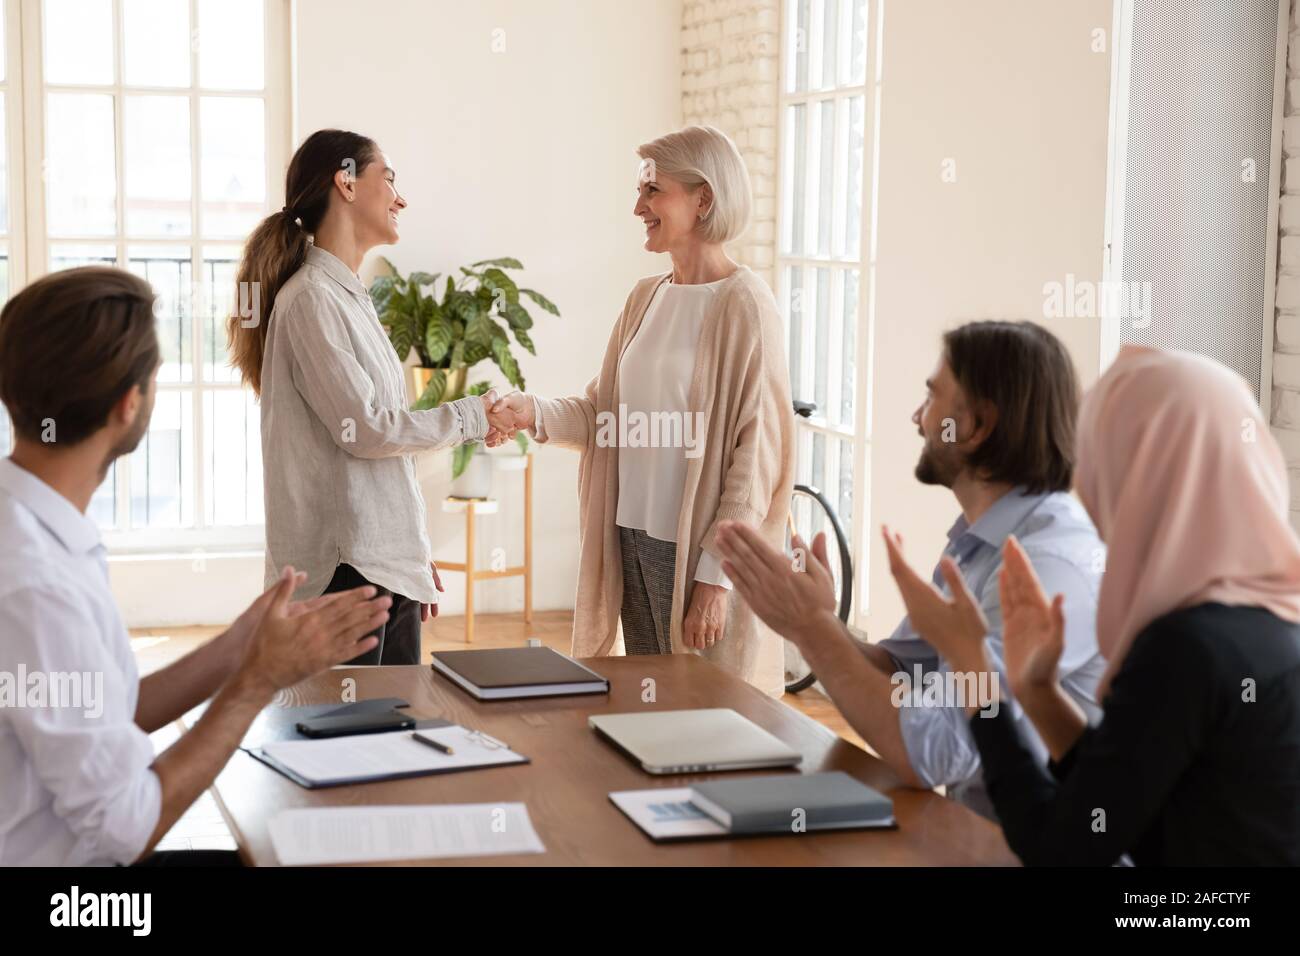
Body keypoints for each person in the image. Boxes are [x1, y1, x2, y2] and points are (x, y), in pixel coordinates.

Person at [0, 267, 391, 865]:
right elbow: (125, 828)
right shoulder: (37, 582)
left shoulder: (31, 523)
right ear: (129, 404)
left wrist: (237, 646)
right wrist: (257, 680)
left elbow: (107, 709)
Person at [882, 346, 1300, 865]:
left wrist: (975, 672)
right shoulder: (1269, 620)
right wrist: (1037, 691)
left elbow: (1063, 848)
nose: (1085, 484)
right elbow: (1121, 812)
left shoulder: (1185, 646)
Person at [714, 321, 1106, 816]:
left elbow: (933, 753)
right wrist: (819, 620)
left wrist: (812, 629)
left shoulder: (1045, 564)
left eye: (932, 397)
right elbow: (904, 671)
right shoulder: (981, 539)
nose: (918, 418)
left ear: (978, 426)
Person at [489, 126, 794, 696]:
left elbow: (758, 460)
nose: (638, 207)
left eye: (653, 191)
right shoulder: (644, 298)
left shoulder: (746, 306)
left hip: (699, 552)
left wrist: (715, 579)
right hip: (632, 537)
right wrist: (530, 411)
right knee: (649, 704)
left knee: (711, 715)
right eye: (640, 192)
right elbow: (603, 413)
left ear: (704, 199)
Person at [228, 129, 510, 666]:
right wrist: (473, 414)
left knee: (392, 737)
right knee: (348, 739)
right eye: (391, 180)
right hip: (345, 577)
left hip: (375, 568)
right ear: (347, 183)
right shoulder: (311, 299)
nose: (401, 199)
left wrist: (407, 552)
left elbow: (378, 441)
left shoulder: (347, 297)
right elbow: (370, 430)